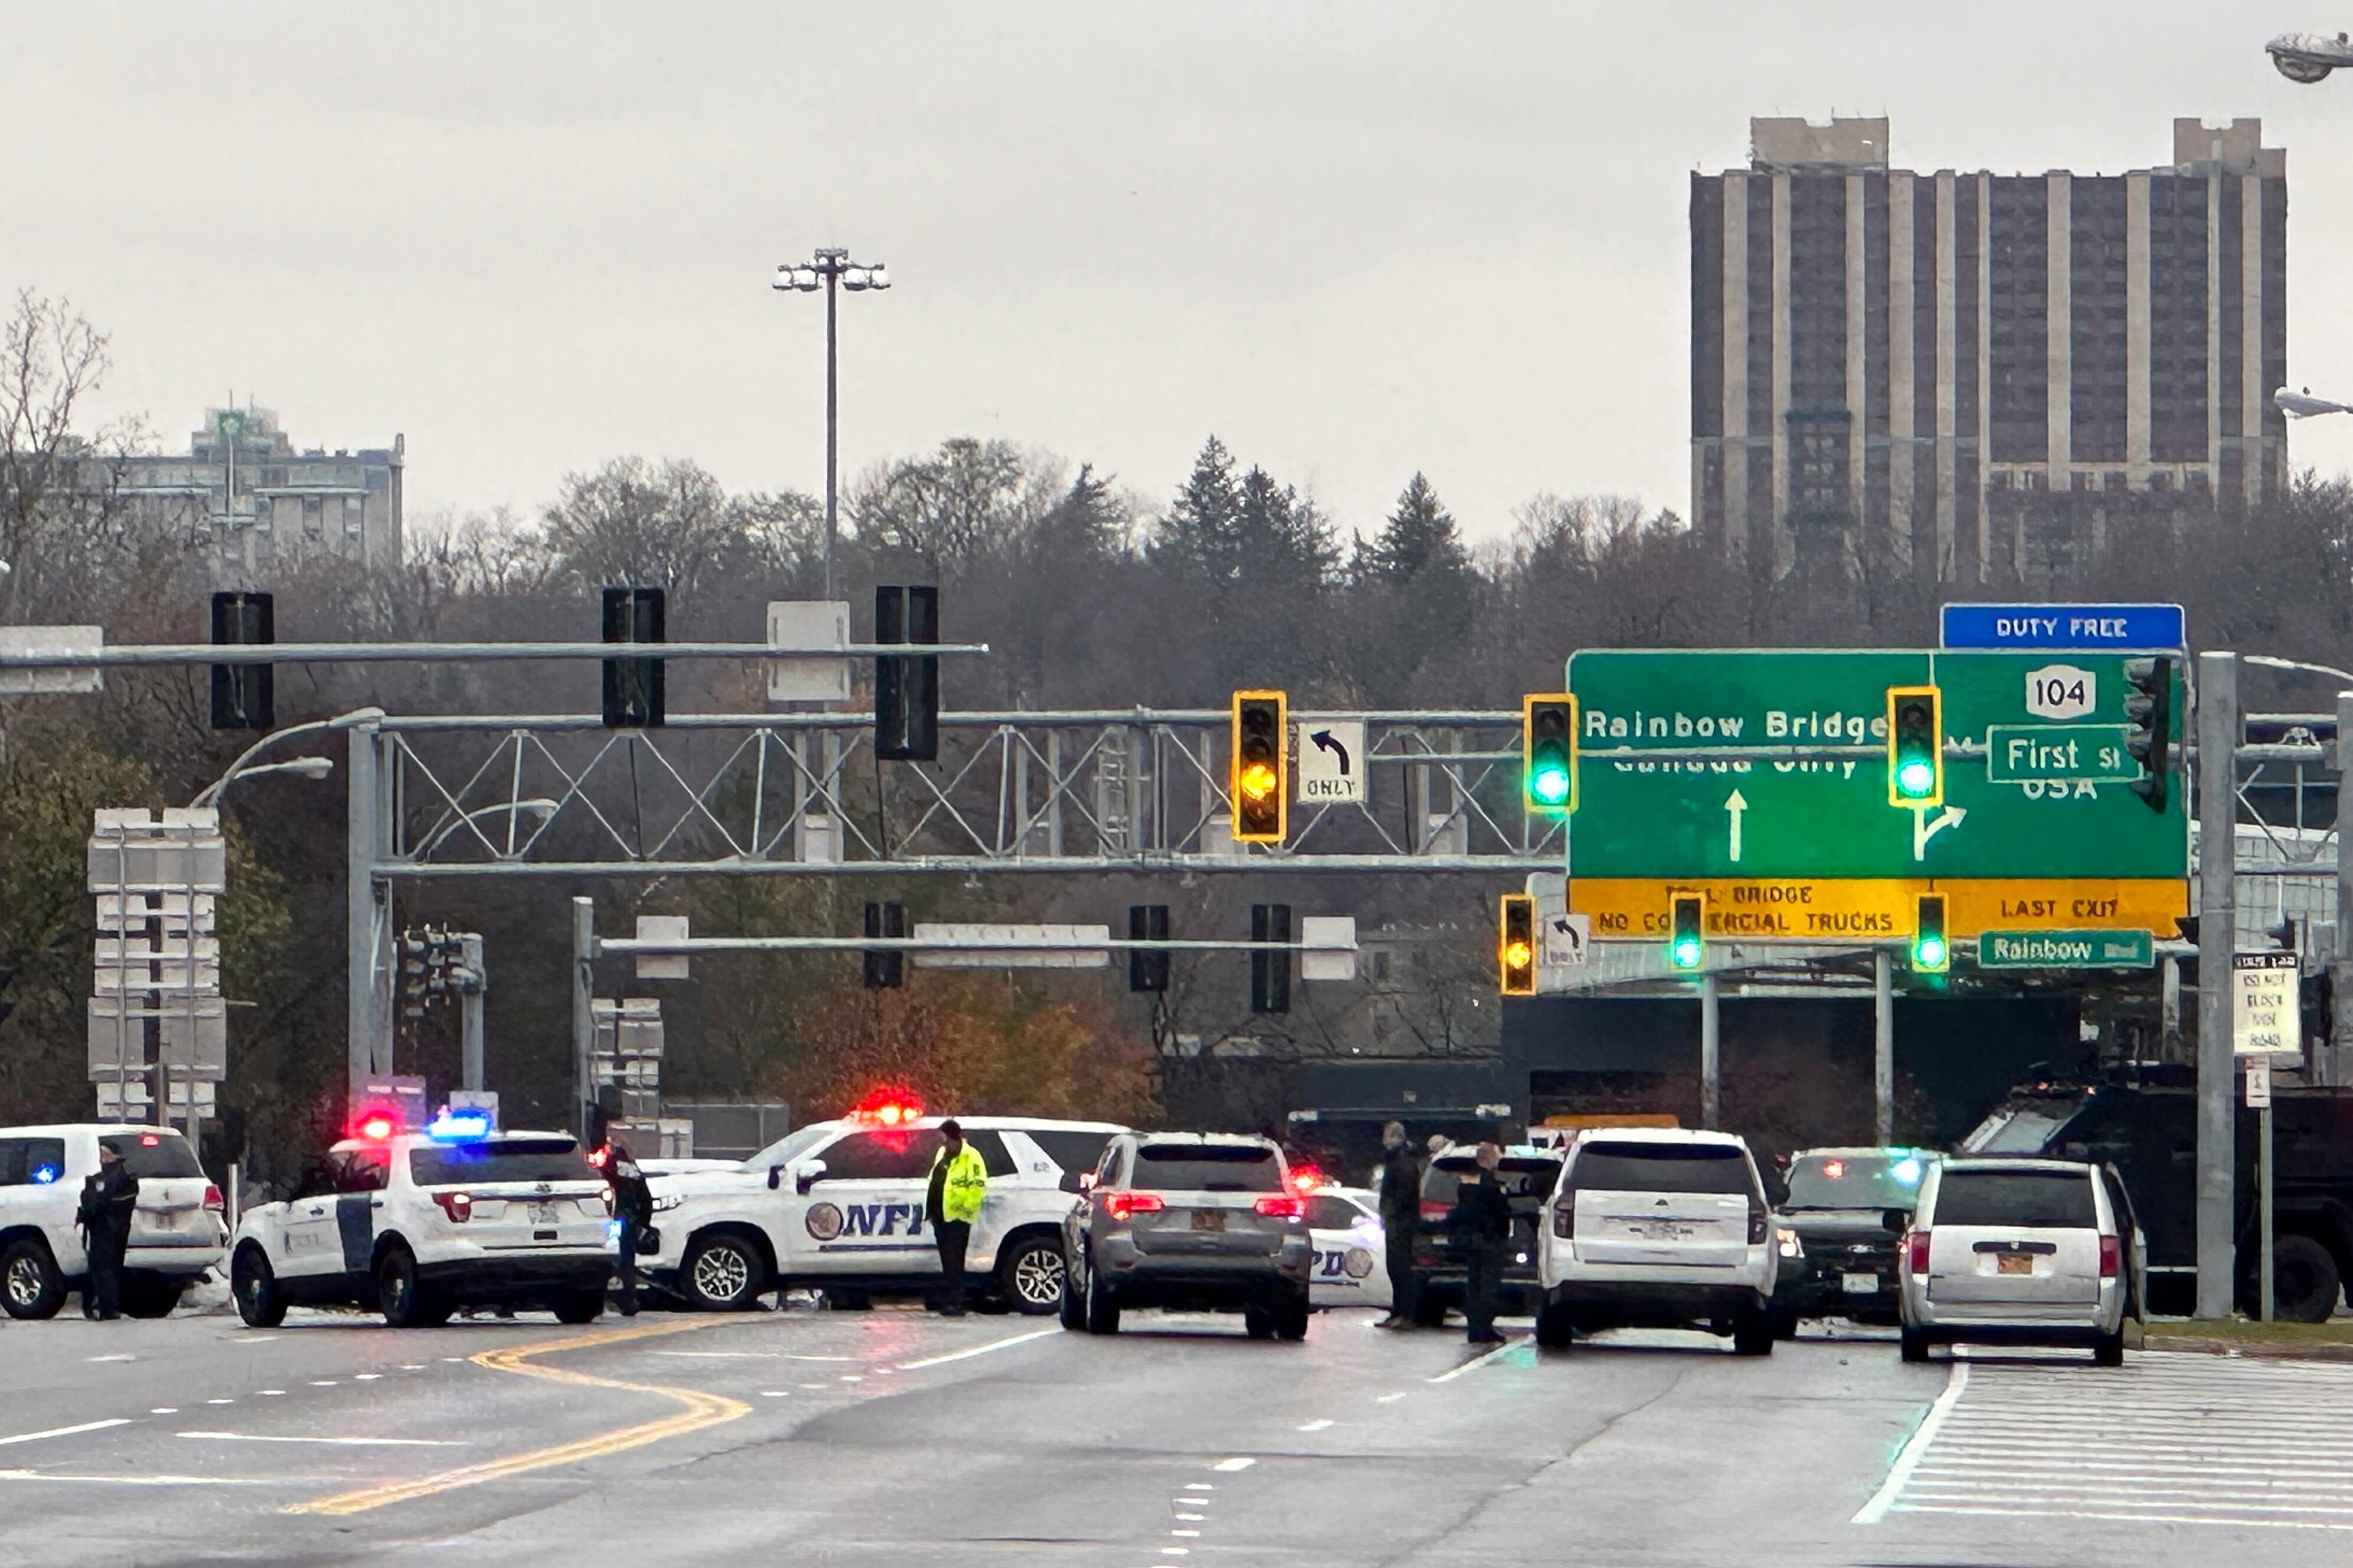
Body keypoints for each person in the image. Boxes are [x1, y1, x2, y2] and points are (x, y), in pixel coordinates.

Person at [1448, 1142, 1512, 1347]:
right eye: (1495, 1157)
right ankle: (1484, 1328)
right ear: (1487, 1159)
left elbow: (1461, 1210)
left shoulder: (1467, 1181)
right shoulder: (1491, 1184)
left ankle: (1475, 1328)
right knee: (1488, 1286)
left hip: (1471, 1239)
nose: (1497, 1161)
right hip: (1489, 1240)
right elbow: (1501, 1212)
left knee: (1474, 1285)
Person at [925, 1119, 989, 1317]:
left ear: (953, 1136)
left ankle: (957, 1301)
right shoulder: (942, 1154)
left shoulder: (971, 1156)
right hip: (940, 1216)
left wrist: (967, 1208)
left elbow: (978, 1185)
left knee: (955, 1260)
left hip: (958, 1218)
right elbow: (935, 1180)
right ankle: (951, 1299)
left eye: (944, 1137)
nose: (942, 1141)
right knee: (947, 1260)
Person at [76, 1142, 139, 1321]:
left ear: (114, 1156)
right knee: (105, 1267)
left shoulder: (117, 1176)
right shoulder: (106, 1177)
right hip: (108, 1228)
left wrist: (89, 1209)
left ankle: (109, 1307)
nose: (101, 1158)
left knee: (105, 1267)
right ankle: (104, 1305)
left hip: (109, 1228)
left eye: (105, 1154)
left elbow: (103, 1200)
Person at [1372, 1121, 1421, 1330]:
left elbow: (1402, 1193)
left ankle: (1405, 1312)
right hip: (1397, 1220)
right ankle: (1398, 1310)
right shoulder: (1397, 1161)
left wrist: (1391, 1214)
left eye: (1387, 1136)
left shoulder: (1403, 1162)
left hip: (1401, 1222)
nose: (1384, 1141)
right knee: (1395, 1267)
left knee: (1401, 1268)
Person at [604, 1139, 654, 1317]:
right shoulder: (634, 1170)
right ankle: (629, 1300)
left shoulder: (606, 1168)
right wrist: (644, 1223)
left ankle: (607, 1296)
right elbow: (646, 1200)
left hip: (610, 1220)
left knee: (608, 1256)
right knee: (627, 1260)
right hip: (630, 1221)